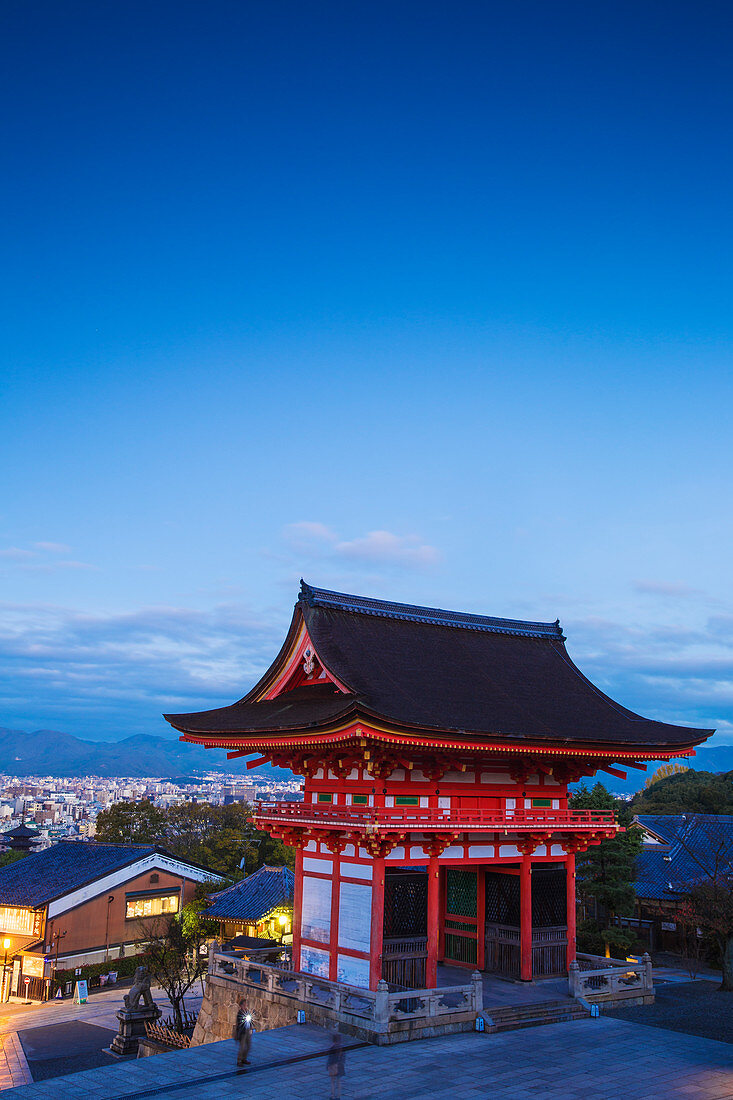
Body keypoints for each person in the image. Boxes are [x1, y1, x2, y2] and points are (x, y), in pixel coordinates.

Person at [326, 1032, 345, 1099]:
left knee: (333, 1082)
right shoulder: (342, 1048)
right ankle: (338, 1096)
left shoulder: (332, 1048)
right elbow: (343, 1059)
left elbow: (330, 1058)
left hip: (333, 1066)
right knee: (338, 1082)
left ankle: (332, 1096)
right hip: (340, 1067)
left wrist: (328, 1066)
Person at [234, 998, 253, 1067]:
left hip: (248, 1030)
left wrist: (251, 1028)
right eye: (244, 1004)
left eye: (246, 1004)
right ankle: (239, 1060)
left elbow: (250, 1020)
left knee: (248, 1046)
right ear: (241, 1005)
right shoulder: (240, 1013)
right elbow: (239, 1023)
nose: (245, 1006)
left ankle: (244, 1058)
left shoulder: (247, 1012)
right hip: (242, 1032)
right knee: (242, 1047)